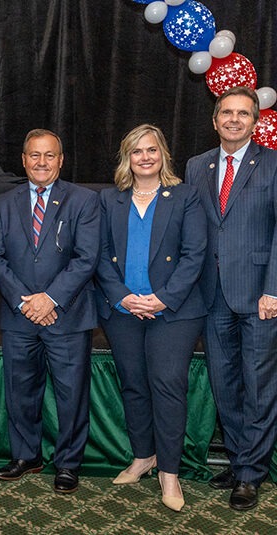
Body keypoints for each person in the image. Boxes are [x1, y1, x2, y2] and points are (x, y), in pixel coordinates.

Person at [95, 124, 206, 511]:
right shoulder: (109, 199)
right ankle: (144, 456)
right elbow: (99, 254)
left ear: (163, 155)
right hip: (123, 310)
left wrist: (162, 299)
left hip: (174, 311)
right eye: (137, 151)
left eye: (152, 150)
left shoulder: (186, 196)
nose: (145, 157)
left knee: (167, 385)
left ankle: (169, 473)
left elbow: (194, 254)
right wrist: (123, 296)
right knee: (134, 385)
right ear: (127, 158)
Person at [0, 128, 100, 494]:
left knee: (71, 394)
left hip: (66, 315)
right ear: (23, 160)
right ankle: (26, 456)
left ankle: (67, 463)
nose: (41, 162)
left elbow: (86, 258)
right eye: (34, 155)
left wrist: (49, 299)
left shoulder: (84, 200)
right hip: (19, 315)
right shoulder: (3, 202)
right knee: (20, 390)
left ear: (61, 160)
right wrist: (26, 302)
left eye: (49, 155)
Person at [185, 86, 277, 511]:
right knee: (225, 384)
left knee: (258, 387)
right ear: (214, 119)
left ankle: (251, 473)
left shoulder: (272, 163)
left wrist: (273, 288)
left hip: (259, 295)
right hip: (211, 294)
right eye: (227, 112)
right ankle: (240, 459)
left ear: (256, 121)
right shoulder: (196, 165)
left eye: (243, 113)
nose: (234, 119)